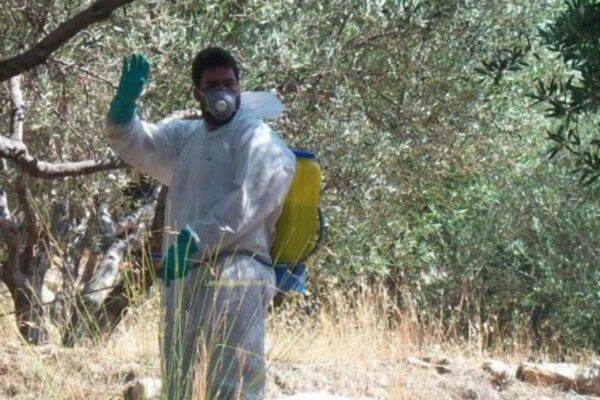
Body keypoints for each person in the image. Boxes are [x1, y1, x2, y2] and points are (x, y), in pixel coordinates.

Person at [105, 48, 296, 400]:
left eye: (229, 83)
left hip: (237, 270)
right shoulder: (187, 138)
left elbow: (252, 199)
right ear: (197, 93)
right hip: (187, 272)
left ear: (239, 87)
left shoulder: (255, 136)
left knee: (232, 382)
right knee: (181, 379)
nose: (222, 91)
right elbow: (139, 143)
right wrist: (123, 111)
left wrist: (196, 238)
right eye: (212, 85)